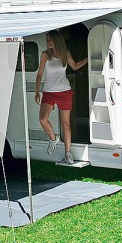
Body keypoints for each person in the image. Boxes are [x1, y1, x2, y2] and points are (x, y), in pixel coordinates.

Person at [34, 30, 87, 164]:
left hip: (64, 91)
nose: (48, 42)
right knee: (42, 120)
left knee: (66, 124)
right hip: (49, 92)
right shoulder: (45, 55)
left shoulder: (65, 53)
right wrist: (37, 92)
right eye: (47, 40)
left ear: (56, 40)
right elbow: (39, 74)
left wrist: (89, 59)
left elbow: (75, 66)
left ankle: (67, 153)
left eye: (50, 40)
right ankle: (53, 138)